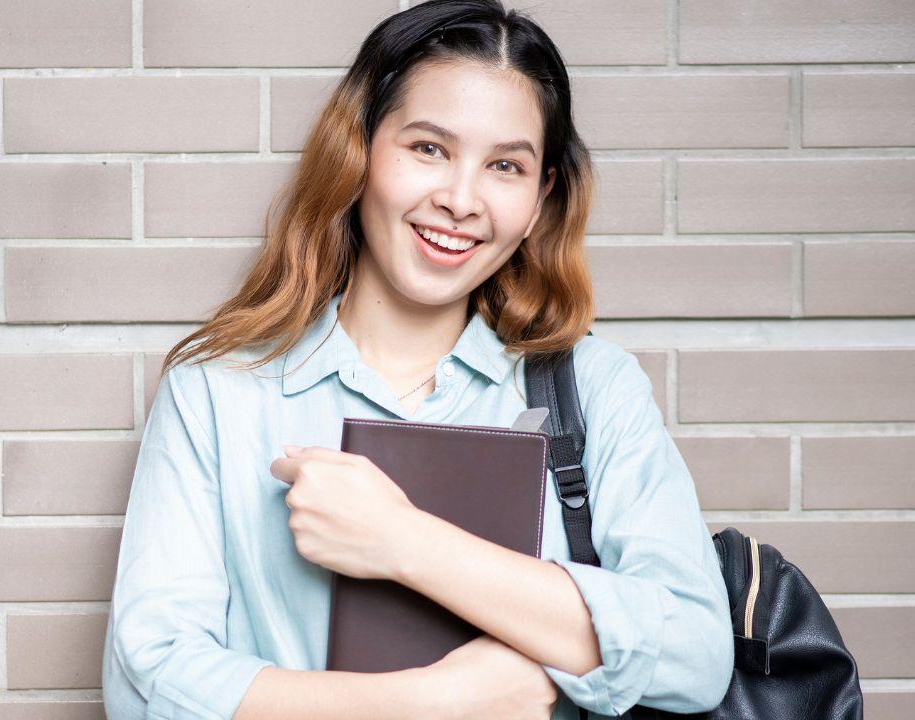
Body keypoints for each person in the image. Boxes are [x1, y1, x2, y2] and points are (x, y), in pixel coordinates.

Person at [101, 1, 734, 718]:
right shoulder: (217, 390)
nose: (460, 200)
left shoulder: (593, 386)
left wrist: (404, 542)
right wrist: (437, 701)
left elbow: (696, 655)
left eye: (505, 166)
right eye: (428, 149)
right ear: (360, 151)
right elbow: (145, 684)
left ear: (540, 198)